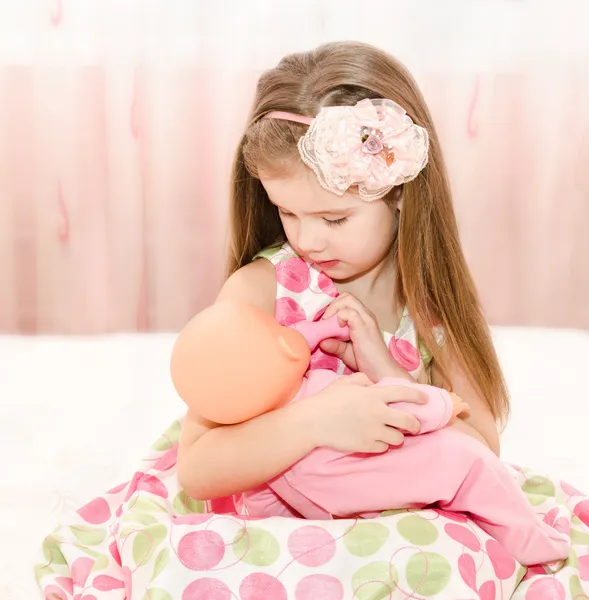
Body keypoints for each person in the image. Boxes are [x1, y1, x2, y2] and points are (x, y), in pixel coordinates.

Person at [176, 40, 510, 505]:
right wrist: (315, 421)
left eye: (335, 219)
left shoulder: (433, 303)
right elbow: (196, 470)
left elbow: (483, 455)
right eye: (286, 212)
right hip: (285, 539)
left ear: (399, 193)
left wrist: (391, 376)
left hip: (405, 534)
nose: (308, 240)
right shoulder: (261, 291)